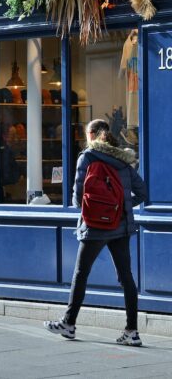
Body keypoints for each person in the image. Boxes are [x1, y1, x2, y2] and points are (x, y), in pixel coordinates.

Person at [44, 119, 147, 346]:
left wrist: (93, 210)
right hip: (121, 227)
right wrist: (120, 206)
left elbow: (77, 194)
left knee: (81, 273)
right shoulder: (123, 158)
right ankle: (132, 331)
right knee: (126, 277)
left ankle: (69, 324)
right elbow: (142, 191)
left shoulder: (87, 156)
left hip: (95, 226)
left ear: (90, 134)